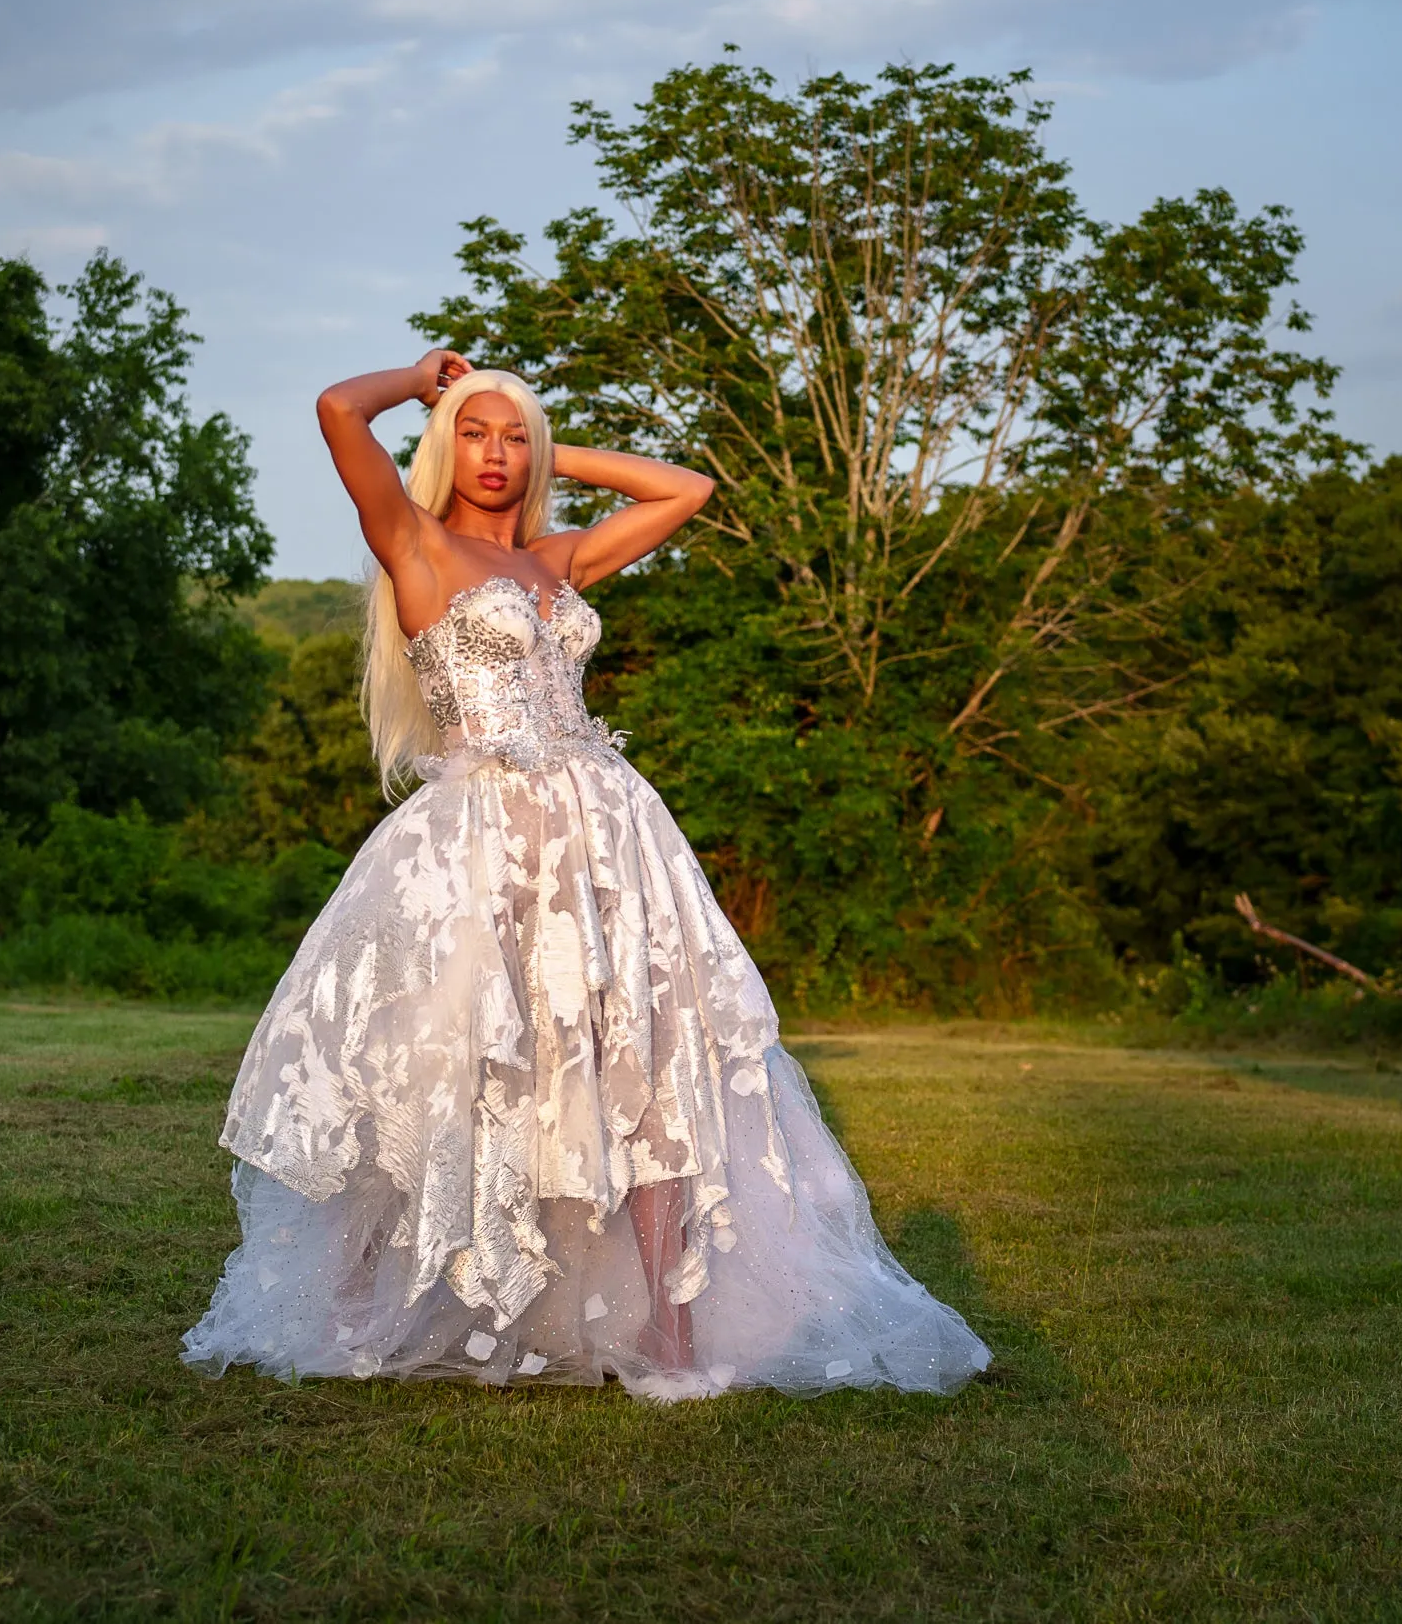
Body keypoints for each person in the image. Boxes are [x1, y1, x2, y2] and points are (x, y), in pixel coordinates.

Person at [182, 350, 990, 1399]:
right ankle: (358, 1305)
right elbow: (338, 407)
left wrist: (543, 430)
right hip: (481, 842)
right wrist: (432, 380)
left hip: (607, 833)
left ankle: (672, 1338)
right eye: (474, 435)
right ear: (441, 445)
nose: (495, 454)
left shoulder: (557, 562)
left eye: (514, 439)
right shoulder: (415, 544)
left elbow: (685, 489)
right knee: (446, 1067)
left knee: (645, 1064)